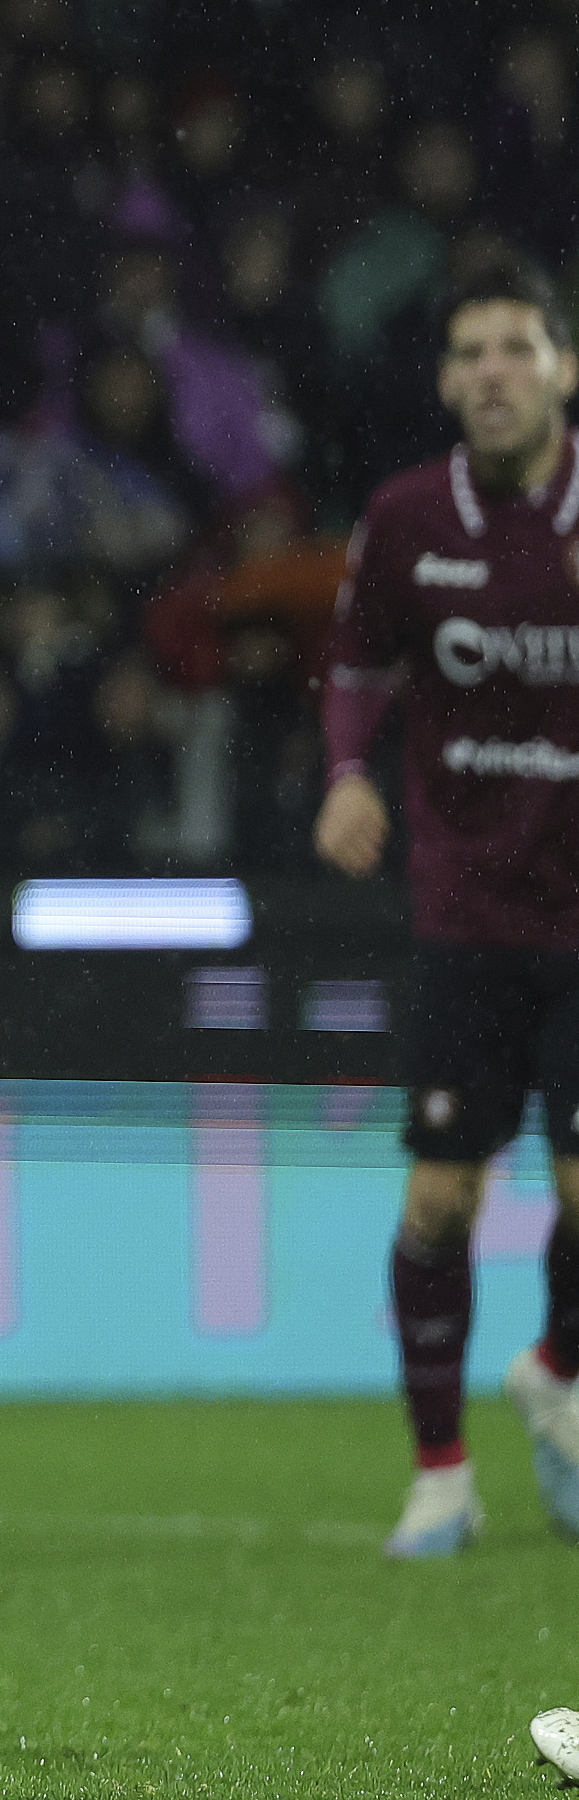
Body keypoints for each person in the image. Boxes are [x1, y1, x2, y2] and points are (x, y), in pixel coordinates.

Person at [315, 258, 579, 1557]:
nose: (491, 371)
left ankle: (550, 1367)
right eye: (469, 351)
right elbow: (353, 661)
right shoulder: (407, 516)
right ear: (442, 379)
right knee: (439, 1201)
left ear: (560, 368)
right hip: (466, 912)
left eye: (514, 348)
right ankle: (437, 1472)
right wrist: (343, 775)